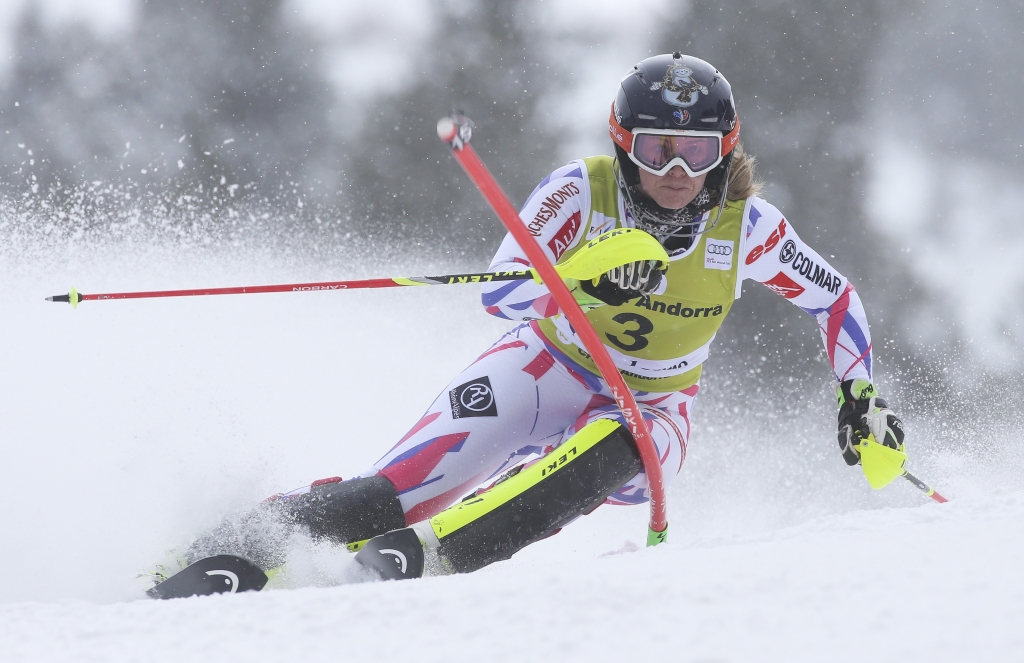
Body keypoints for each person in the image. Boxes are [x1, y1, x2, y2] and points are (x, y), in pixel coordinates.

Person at [177, 53, 906, 586]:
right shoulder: (581, 194)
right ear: (624, 144)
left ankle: (428, 553)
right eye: (657, 148)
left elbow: (835, 298)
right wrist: (589, 292)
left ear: (723, 153)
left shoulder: (746, 227)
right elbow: (501, 292)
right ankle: (224, 547)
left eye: (696, 152)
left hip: (655, 401)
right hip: (545, 367)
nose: (677, 171)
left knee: (625, 442)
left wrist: (857, 392)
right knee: (393, 489)